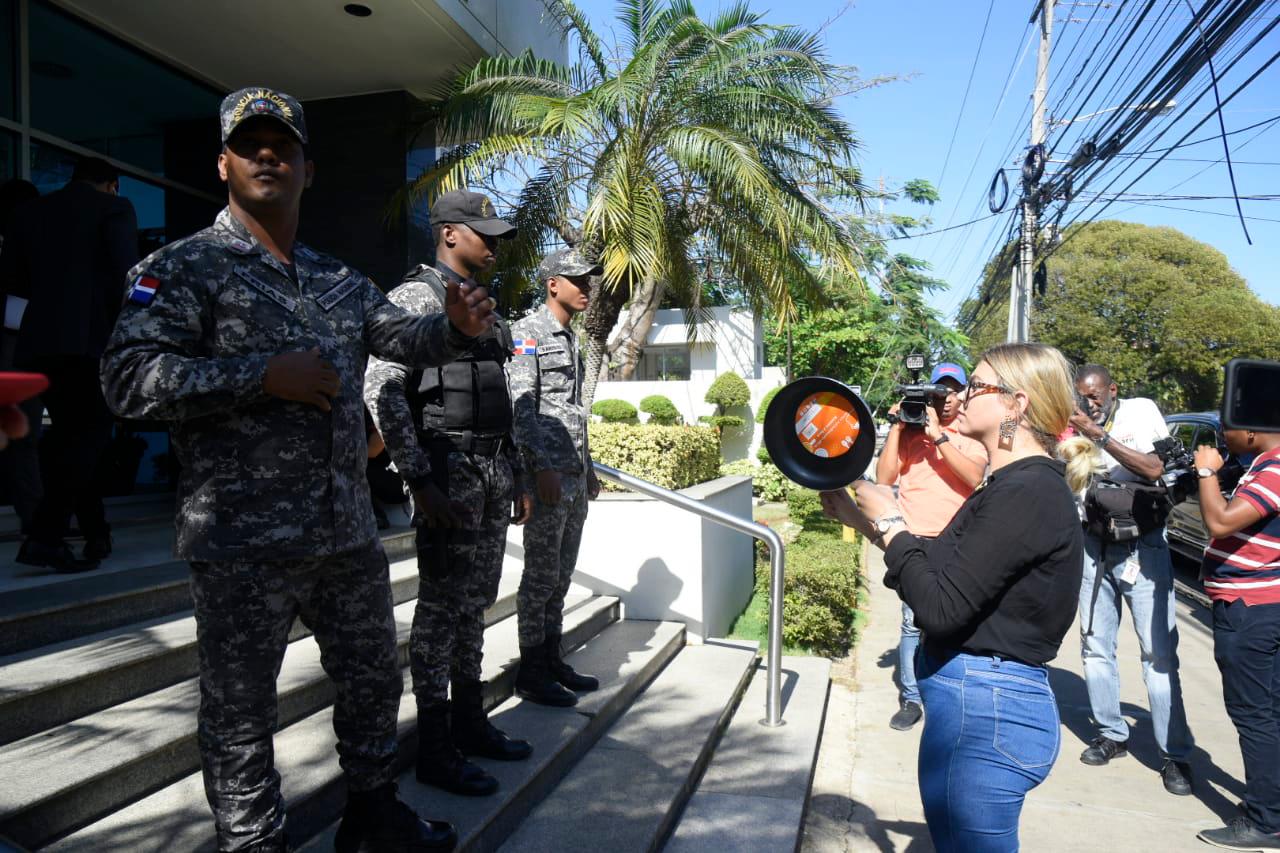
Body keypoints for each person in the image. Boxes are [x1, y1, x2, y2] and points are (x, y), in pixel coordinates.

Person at [98, 85, 497, 853]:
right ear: (223, 163)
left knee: (374, 682)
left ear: (309, 169)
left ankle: (374, 816)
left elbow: (402, 338)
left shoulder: (337, 279)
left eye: (282, 144)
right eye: (249, 144)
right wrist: (260, 374)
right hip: (241, 540)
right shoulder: (181, 269)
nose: (267, 154)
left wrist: (452, 328)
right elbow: (126, 380)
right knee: (242, 710)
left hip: (344, 530)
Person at [821, 342, 1085, 853]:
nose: (959, 398)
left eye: (977, 386)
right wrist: (864, 519)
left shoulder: (1026, 490)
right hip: (977, 704)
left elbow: (940, 609)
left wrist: (893, 519)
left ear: (1016, 404)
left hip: (989, 710)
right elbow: (941, 568)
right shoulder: (1010, 484)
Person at [364, 188, 535, 798]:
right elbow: (381, 389)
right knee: (439, 614)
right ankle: (435, 747)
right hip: (446, 475)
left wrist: (514, 472)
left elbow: (502, 396)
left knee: (473, 607)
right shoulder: (414, 298)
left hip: (488, 475)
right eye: (482, 232)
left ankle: (469, 722)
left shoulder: (486, 307)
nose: (492, 243)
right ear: (449, 235)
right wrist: (418, 479)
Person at [1, 159, 138, 572]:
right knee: (89, 437)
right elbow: (126, 277)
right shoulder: (115, 208)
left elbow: (14, 279)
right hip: (90, 341)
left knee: (73, 440)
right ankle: (45, 536)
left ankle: (96, 533)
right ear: (111, 185)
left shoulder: (32, 213)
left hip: (38, 342)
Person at [1069, 363, 1194, 795]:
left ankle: (1174, 754)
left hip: (1143, 546)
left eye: (1096, 396)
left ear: (1112, 390)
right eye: (1083, 397)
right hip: (1093, 544)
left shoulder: (1141, 412)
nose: (1090, 403)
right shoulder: (1070, 420)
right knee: (1095, 646)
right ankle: (1111, 733)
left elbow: (1155, 468)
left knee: (1158, 654)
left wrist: (1098, 434)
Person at [508, 247, 604, 707]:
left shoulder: (572, 337)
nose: (587, 288)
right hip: (546, 477)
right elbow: (521, 405)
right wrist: (539, 468)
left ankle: (551, 657)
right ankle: (531, 669)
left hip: (572, 476)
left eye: (589, 280)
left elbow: (572, 411)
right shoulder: (526, 333)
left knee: (562, 577)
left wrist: (587, 469)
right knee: (540, 578)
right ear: (552, 284)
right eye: (578, 280)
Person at [875, 362, 988, 731]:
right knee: (911, 624)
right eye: (939, 392)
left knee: (952, 622)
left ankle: (946, 691)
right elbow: (884, 478)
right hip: (914, 538)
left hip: (956, 540)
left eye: (953, 392)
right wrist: (897, 427)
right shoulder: (909, 432)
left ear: (964, 395)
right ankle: (911, 698)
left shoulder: (972, 433)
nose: (946, 400)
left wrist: (939, 436)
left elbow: (973, 477)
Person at [1192, 428, 1280, 850]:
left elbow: (1221, 521)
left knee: (1255, 716)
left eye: (1229, 425)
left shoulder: (1276, 467)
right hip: (1262, 604)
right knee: (1270, 713)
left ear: (1251, 427)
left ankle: (1265, 821)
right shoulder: (1261, 465)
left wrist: (1207, 471)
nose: (1223, 435)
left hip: (1251, 608)